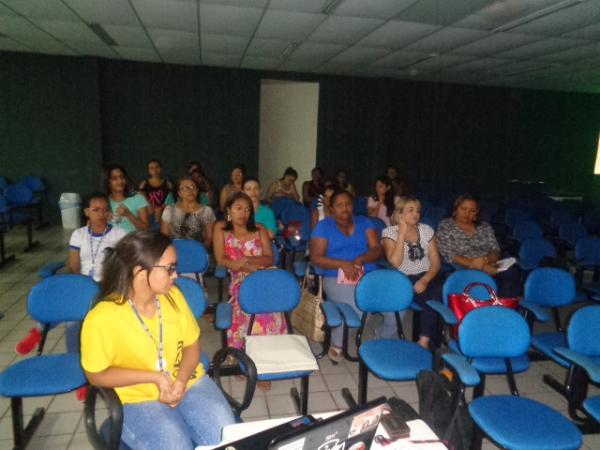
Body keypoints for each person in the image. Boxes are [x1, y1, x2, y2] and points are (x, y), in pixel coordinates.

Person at [81, 231, 235, 449]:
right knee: (176, 444)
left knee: (226, 438)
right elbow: (95, 375)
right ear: (139, 272)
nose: (176, 275)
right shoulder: (102, 318)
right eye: (169, 268)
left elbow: (192, 345)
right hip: (137, 397)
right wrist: (154, 377)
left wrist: (180, 380)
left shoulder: (173, 297)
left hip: (187, 383)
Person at [16, 193, 127, 400]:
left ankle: (40, 330)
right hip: (83, 282)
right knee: (71, 314)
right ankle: (77, 374)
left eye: (105, 210)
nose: (101, 214)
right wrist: (79, 287)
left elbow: (121, 267)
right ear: (86, 212)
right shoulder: (78, 235)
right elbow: (74, 266)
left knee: (74, 319)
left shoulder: (118, 235)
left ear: (110, 213)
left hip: (107, 286)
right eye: (96, 209)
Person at [213, 193, 286, 389]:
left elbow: (269, 259)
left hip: (263, 274)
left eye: (247, 209)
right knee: (246, 299)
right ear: (228, 210)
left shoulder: (259, 229)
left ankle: (264, 363)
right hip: (240, 278)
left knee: (270, 304)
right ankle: (243, 358)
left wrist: (244, 261)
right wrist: (245, 267)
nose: (243, 213)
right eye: (238, 208)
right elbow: (221, 259)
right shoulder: (221, 229)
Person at [310, 190, 383, 363]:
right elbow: (316, 257)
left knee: (397, 306)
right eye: (339, 205)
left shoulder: (364, 222)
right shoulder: (324, 226)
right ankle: (337, 342)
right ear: (331, 208)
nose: (345, 208)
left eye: (348, 204)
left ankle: (383, 337)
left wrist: (362, 258)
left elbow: (376, 250)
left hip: (367, 273)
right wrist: (341, 263)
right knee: (357, 306)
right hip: (335, 276)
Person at [382, 197, 442, 349]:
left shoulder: (426, 230)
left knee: (435, 298)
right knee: (430, 301)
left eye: (418, 211)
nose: (415, 214)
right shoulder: (389, 232)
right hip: (404, 277)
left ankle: (424, 341)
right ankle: (426, 342)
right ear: (399, 213)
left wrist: (426, 279)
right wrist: (401, 233)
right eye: (410, 210)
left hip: (429, 275)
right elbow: (395, 262)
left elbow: (436, 262)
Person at [437, 193, 521, 297]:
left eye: (472, 211)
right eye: (464, 209)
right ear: (456, 209)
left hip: (488, 262)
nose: (467, 213)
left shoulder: (484, 226)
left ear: (477, 213)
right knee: (488, 279)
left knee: (512, 272)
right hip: (462, 265)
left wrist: (486, 260)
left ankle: (504, 308)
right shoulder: (445, 225)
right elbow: (448, 253)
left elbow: (495, 249)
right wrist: (482, 267)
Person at [161, 176, 216, 249]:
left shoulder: (207, 211)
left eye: (192, 187)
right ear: (179, 193)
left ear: (197, 190)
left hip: (198, 251)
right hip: (174, 252)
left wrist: (195, 250)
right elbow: (163, 238)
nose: (190, 190)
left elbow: (209, 240)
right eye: (184, 188)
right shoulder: (169, 210)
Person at [104, 164, 150, 234]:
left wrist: (129, 214)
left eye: (122, 177)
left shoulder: (138, 198)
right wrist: (104, 219)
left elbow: (146, 229)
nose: (120, 181)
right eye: (114, 178)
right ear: (107, 182)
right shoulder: (103, 201)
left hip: (133, 241)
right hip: (111, 242)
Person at [138, 159, 174, 225]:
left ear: (161, 168)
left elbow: (170, 200)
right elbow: (141, 198)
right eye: (151, 168)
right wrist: (151, 207)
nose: (155, 170)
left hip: (163, 210)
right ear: (148, 170)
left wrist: (161, 208)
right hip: (149, 210)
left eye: (157, 167)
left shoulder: (168, 184)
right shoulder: (144, 184)